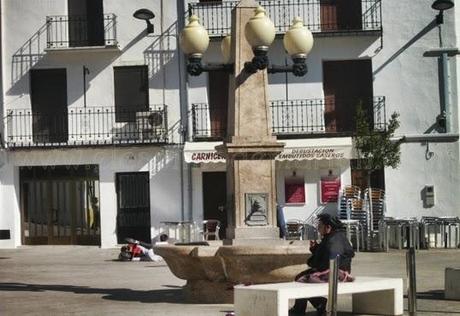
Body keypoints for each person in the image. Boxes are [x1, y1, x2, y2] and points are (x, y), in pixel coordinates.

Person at [289, 213, 355, 316]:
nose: (318, 229)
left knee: (301, 280)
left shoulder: (332, 240)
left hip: (334, 274)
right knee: (302, 277)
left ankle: (307, 306)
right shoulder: (336, 236)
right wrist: (315, 248)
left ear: (328, 227)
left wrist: (318, 268)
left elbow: (328, 260)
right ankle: (316, 304)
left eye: (320, 226)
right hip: (335, 271)